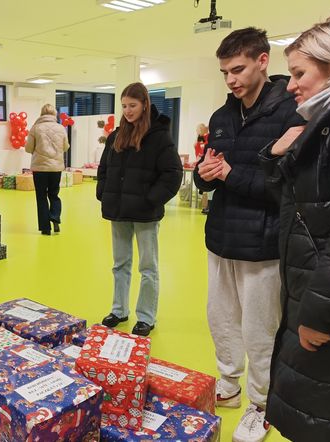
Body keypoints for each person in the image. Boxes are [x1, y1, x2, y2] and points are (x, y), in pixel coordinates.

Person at [193, 28, 304, 442]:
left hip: (264, 244)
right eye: (224, 73)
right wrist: (204, 176)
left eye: (237, 69)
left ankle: (261, 404)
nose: (231, 80)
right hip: (221, 238)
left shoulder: (291, 114)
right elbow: (210, 173)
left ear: (263, 61)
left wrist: (231, 175)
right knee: (220, 320)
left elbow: (286, 189)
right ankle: (228, 384)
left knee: (260, 330)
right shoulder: (222, 117)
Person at [260, 15, 330, 441]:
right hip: (312, 292)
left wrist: (317, 313)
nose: (290, 85)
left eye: (299, 73)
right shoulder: (325, 127)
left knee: (324, 414)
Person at [97, 82, 182, 336]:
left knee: (148, 267)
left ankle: (146, 316)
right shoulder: (115, 136)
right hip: (119, 211)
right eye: (124, 106)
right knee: (119, 264)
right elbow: (104, 169)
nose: (128, 110)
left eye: (132, 105)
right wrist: (103, 193)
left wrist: (151, 199)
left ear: (145, 104)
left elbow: (173, 173)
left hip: (145, 213)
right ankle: (119, 309)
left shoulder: (158, 136)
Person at [25, 104, 70, 235]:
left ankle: (45, 228)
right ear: (54, 114)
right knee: (54, 195)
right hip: (56, 168)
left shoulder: (35, 128)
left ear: (41, 113)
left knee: (41, 197)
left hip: (39, 168)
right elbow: (66, 146)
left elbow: (28, 148)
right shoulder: (61, 128)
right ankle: (55, 217)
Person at [194, 124, 211, 214]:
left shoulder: (208, 137)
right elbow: (198, 154)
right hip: (201, 164)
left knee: (207, 190)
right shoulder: (198, 141)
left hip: (207, 164)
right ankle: (205, 207)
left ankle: (207, 207)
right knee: (204, 190)